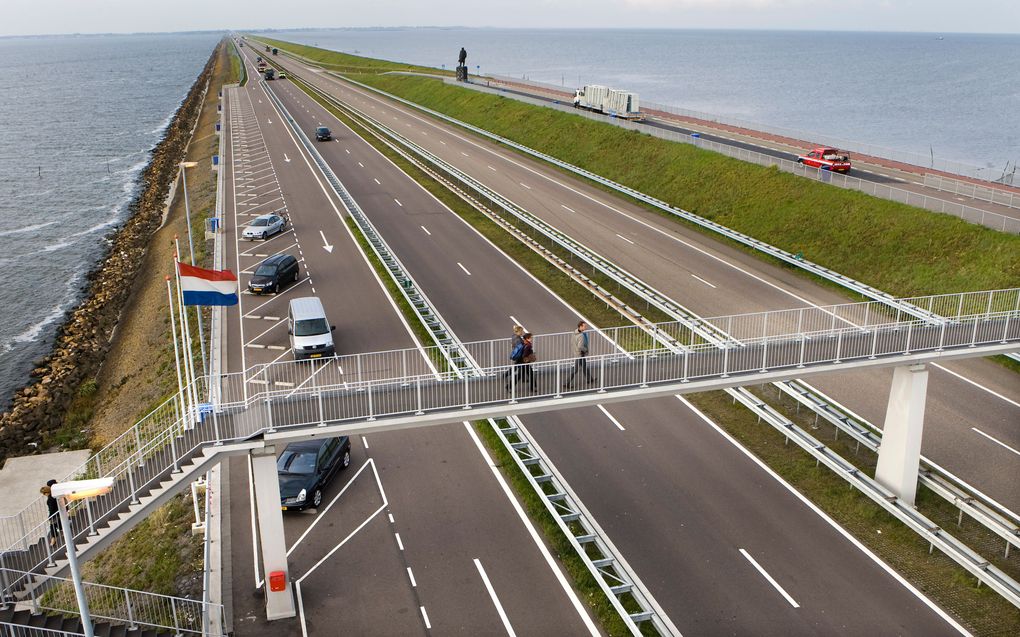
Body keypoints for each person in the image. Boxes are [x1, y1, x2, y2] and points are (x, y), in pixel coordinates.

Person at [564, 321, 595, 388]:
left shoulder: (574, 332)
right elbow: (580, 346)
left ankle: (590, 379)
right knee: (575, 370)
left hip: (577, 352)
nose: (585, 327)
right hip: (580, 354)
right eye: (584, 326)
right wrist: (586, 350)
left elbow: (572, 343)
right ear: (580, 326)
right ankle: (567, 383)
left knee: (584, 367)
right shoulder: (581, 336)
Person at [40, 479, 60, 547]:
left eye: (44, 493)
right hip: (57, 513)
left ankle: (53, 539)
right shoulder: (53, 496)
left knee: (52, 526)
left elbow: (52, 509)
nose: (43, 494)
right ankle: (55, 537)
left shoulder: (50, 499)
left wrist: (50, 516)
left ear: (47, 492)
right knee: (56, 525)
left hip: (54, 514)